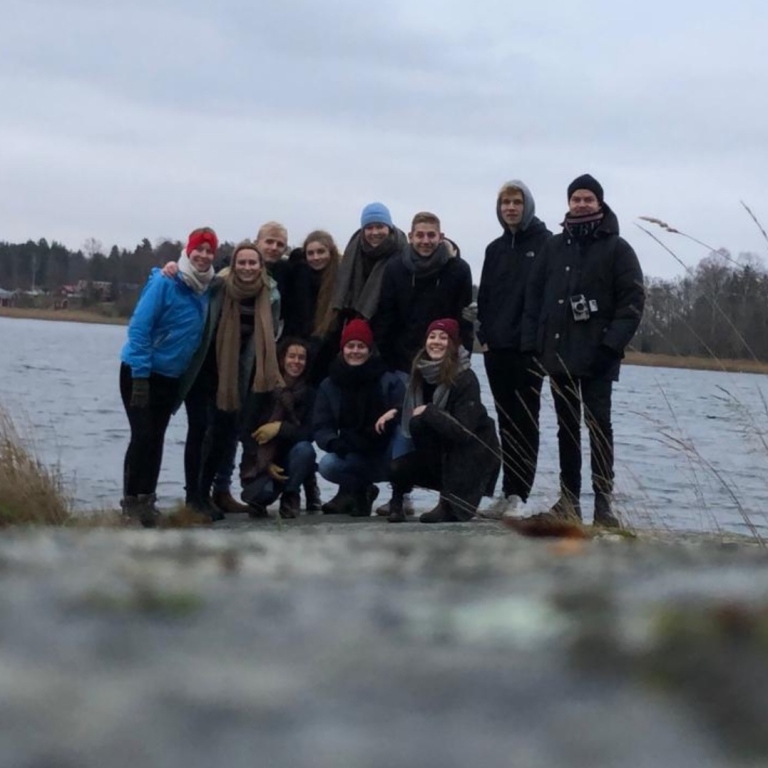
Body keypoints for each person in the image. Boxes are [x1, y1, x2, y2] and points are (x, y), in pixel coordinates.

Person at [521, 174, 645, 527]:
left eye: (588, 198)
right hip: (558, 354)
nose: (582, 204)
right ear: (568, 203)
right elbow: (535, 296)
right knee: (565, 428)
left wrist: (611, 346)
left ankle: (603, 505)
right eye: (576, 198)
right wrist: (533, 343)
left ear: (600, 203)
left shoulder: (618, 249)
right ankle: (568, 501)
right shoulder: (554, 246)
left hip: (599, 358)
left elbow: (632, 303)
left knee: (599, 426)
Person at [173, 239, 282, 519]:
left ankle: (207, 493)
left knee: (222, 436)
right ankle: (193, 496)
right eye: (242, 262)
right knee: (200, 432)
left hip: (238, 375)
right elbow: (188, 280)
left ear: (260, 266)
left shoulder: (269, 295)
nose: (247, 267)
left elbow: (268, 338)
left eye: (252, 262)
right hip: (205, 368)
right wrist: (171, 268)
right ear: (234, 265)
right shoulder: (218, 286)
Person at [119, 227, 216, 526]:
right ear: (187, 251)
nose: (202, 255)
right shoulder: (166, 280)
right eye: (197, 249)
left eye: (209, 251)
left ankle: (148, 501)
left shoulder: (207, 287)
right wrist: (140, 376)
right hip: (141, 372)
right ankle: (130, 504)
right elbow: (139, 329)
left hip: (171, 378)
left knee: (157, 438)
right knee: (143, 435)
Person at [476, 180, 552, 519]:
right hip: (497, 349)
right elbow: (487, 298)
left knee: (526, 421)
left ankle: (520, 493)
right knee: (506, 421)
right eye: (505, 202)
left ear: (527, 205)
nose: (510, 208)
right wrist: (486, 338)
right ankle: (506, 492)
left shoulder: (547, 244)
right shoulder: (494, 249)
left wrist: (536, 342)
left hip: (530, 351)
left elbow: (549, 300)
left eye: (516, 202)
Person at [376, 319, 500, 524]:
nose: (436, 342)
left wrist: (429, 412)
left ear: (453, 344)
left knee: (420, 422)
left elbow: (463, 432)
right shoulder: (422, 372)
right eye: (432, 337)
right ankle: (397, 504)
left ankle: (449, 501)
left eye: (444, 338)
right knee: (396, 467)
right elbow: (416, 407)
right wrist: (397, 412)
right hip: (441, 454)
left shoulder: (465, 377)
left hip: (470, 457)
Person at [313, 319, 405, 516]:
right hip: (352, 451)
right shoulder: (329, 385)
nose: (355, 351)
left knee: (404, 435)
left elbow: (407, 409)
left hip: (386, 451)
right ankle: (361, 490)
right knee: (327, 465)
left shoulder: (389, 380)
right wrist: (333, 443)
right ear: (342, 349)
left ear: (370, 350)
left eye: (361, 346)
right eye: (350, 346)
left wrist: (394, 413)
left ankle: (398, 497)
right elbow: (321, 426)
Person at [374, 211, 474, 374]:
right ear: (410, 237)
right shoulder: (394, 268)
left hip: (444, 361)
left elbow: (464, 320)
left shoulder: (459, 270)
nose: (425, 241)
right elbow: (386, 318)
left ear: (440, 237)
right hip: (401, 362)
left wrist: (464, 356)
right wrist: (385, 361)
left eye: (431, 235)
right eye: (420, 235)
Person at [239, 338, 317, 518]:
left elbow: (309, 433)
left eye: (301, 358)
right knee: (260, 495)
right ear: (282, 359)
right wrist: (265, 463)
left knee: (305, 450)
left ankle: (291, 495)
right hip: (260, 459)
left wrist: (280, 428)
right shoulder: (263, 389)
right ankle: (260, 496)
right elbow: (245, 431)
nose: (296, 362)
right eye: (292, 356)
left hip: (290, 459)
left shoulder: (310, 394)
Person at [332, 202, 408, 327]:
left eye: (379, 226)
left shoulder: (402, 253)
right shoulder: (354, 250)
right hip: (354, 326)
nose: (375, 232)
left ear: (389, 227)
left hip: (390, 324)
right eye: (369, 228)